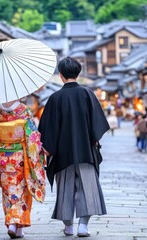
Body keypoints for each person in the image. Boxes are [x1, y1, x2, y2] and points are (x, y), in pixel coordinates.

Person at [38, 57, 109, 237]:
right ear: (78, 73)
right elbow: (97, 124)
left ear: (61, 75)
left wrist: (48, 148)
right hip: (86, 151)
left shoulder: (54, 98)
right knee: (88, 189)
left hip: (63, 155)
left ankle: (69, 227)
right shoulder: (88, 94)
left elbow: (48, 128)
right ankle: (83, 226)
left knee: (65, 191)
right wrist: (92, 140)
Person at [0, 100, 46, 239]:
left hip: (3, 158)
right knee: (22, 190)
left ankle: (16, 228)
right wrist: (38, 153)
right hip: (20, 159)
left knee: (8, 190)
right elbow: (32, 136)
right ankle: (14, 224)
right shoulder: (24, 110)